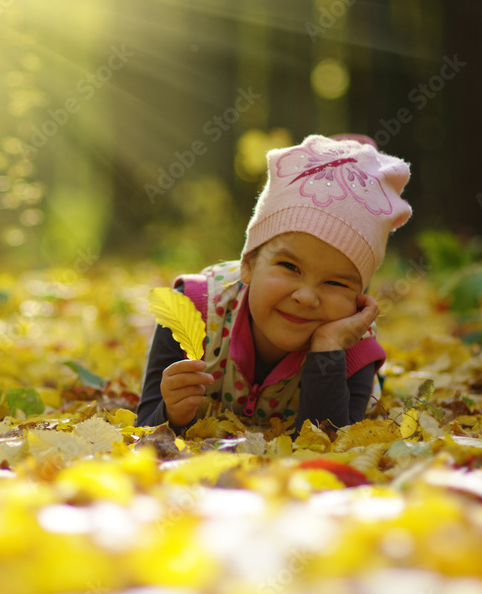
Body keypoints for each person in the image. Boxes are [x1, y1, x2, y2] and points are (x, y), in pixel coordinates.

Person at [136, 134, 413, 435]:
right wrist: (173, 415)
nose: (306, 296)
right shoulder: (192, 311)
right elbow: (145, 429)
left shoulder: (353, 347)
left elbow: (331, 444)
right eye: (290, 267)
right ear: (250, 263)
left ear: (359, 294)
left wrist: (327, 350)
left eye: (334, 282)